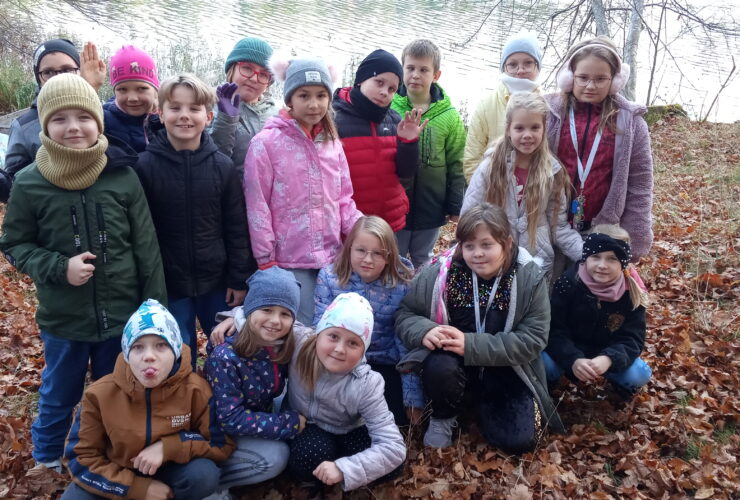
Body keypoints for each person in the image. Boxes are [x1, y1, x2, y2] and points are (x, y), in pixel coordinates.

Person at [0, 74, 166, 472]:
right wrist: (59, 267)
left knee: (115, 389)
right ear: (45, 126)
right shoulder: (30, 182)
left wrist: (155, 308)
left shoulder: (122, 176)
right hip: (65, 319)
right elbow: (15, 244)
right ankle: (46, 458)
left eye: (83, 117)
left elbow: (146, 246)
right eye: (60, 119)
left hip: (121, 313)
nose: (73, 127)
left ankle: (101, 451)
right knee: (60, 391)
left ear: (98, 121)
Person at [395, 203, 564, 453]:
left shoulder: (529, 278)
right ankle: (444, 415)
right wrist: (424, 330)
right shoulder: (442, 273)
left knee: (520, 441)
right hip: (453, 365)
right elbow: (406, 313)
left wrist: (470, 345)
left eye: (487, 245)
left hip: (508, 368)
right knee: (439, 367)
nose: (477, 254)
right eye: (469, 246)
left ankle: (485, 406)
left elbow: (533, 339)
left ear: (506, 243)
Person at [133, 74, 254, 370]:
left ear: (208, 116)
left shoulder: (222, 166)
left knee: (226, 350)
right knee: (177, 351)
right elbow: (139, 231)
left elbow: (236, 227)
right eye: (175, 108)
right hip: (169, 282)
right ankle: (181, 396)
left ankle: (221, 396)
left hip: (216, 281)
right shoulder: (145, 166)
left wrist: (238, 279)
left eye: (194, 109)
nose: (184, 116)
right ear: (160, 114)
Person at [61, 299, 234, 500]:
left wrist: (171, 446)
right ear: (127, 354)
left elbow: (220, 444)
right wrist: (136, 488)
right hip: (117, 475)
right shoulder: (99, 394)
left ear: (175, 351)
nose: (148, 356)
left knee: (203, 475)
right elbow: (80, 457)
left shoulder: (196, 390)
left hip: (172, 471)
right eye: (138, 347)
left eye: (161, 345)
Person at [245, 57, 362, 325]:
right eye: (304, 95)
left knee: (330, 326)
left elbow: (344, 199)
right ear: (289, 99)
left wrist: (364, 235)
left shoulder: (332, 144)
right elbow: (257, 205)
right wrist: (266, 259)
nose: (314, 104)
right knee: (302, 329)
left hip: (332, 257)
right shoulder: (265, 144)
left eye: (321, 95)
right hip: (288, 261)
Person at [546, 36, 654, 261]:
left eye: (600, 79)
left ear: (615, 81)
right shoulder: (548, 114)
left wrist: (635, 238)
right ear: (569, 77)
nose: (590, 86)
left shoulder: (631, 123)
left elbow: (640, 184)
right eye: (583, 78)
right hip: (549, 225)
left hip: (602, 231)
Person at [287, 293, 406, 495]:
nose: (340, 349)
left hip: (348, 429)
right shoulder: (299, 343)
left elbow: (393, 447)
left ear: (363, 351)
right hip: (308, 425)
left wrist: (345, 469)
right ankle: (316, 480)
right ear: (319, 333)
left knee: (394, 466)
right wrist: (234, 317)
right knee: (310, 454)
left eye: (353, 343)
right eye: (333, 336)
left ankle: (337, 469)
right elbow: (266, 319)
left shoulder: (366, 383)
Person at [205, 267, 306, 497]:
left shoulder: (279, 344)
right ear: (249, 309)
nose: (275, 321)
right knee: (276, 456)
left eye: (285, 314)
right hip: (221, 433)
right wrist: (288, 424)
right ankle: (214, 486)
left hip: (257, 411)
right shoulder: (225, 357)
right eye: (267, 309)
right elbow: (230, 419)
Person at [313, 216, 423, 426]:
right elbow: (319, 330)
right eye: (361, 250)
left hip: (382, 363)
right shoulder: (329, 277)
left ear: (389, 256)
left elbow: (404, 342)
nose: (368, 259)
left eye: (377, 253)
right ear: (349, 248)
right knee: (338, 418)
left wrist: (412, 396)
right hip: (340, 359)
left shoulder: (402, 285)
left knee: (395, 422)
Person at [462, 92, 583, 273]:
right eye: (519, 128)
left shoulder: (551, 172)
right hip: (494, 264)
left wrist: (589, 255)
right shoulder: (490, 168)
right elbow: (469, 217)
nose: (527, 135)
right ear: (508, 129)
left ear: (544, 128)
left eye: (535, 127)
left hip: (536, 267)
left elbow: (559, 228)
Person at [542, 225, 651, 399]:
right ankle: (551, 383)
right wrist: (573, 359)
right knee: (542, 362)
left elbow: (633, 339)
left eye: (612, 259)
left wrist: (608, 359)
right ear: (586, 258)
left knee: (638, 374)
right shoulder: (568, 283)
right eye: (595, 257)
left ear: (623, 263)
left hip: (606, 355)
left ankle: (618, 388)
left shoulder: (631, 293)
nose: (602, 265)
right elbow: (554, 330)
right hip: (570, 352)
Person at [391, 39, 466, 269]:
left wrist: (455, 206)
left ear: (436, 75)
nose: (415, 75)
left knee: (423, 259)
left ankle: (423, 290)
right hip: (395, 204)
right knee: (394, 258)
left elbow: (456, 163)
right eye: (410, 68)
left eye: (424, 70)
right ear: (402, 70)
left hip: (431, 205)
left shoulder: (449, 116)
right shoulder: (390, 108)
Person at [1, 39, 106, 202]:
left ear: (80, 71)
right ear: (38, 77)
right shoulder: (23, 126)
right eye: (48, 72)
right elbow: (14, 186)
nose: (58, 77)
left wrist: (90, 90)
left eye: (67, 70)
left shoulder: (98, 114)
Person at [333, 49, 424, 232]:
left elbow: (406, 173)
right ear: (361, 79)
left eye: (392, 89)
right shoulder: (335, 120)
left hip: (389, 221)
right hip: (350, 225)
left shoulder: (395, 120)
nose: (384, 92)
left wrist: (409, 143)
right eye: (379, 82)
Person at [463, 31, 544, 182]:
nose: (520, 70)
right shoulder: (485, 106)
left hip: (534, 190)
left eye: (528, 63)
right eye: (512, 64)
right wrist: (486, 192)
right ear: (504, 68)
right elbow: (472, 160)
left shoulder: (548, 106)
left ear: (538, 67)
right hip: (492, 188)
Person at [211, 37, 277, 171]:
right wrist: (225, 122)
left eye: (263, 74)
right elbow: (212, 162)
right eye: (247, 68)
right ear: (232, 69)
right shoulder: (207, 106)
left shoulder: (277, 114)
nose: (254, 78)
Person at [103, 45, 160, 152]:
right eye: (122, 89)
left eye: (142, 88)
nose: (132, 98)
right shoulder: (103, 121)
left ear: (155, 89)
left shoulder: (168, 118)